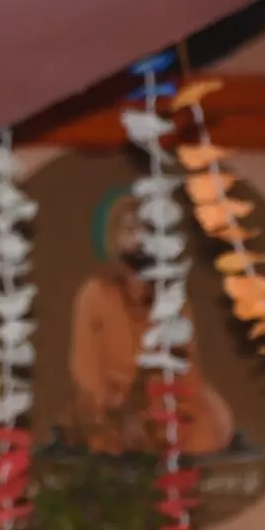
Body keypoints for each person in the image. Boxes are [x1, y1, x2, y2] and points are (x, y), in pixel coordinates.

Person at [67, 190, 237, 457]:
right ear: (113, 238)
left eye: (147, 231)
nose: (138, 239)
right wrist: (116, 407)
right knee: (101, 432)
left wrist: (165, 403)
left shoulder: (173, 295)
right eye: (129, 230)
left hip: (163, 398)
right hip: (112, 402)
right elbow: (85, 366)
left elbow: (187, 362)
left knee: (214, 425)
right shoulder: (94, 292)